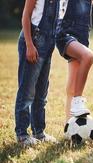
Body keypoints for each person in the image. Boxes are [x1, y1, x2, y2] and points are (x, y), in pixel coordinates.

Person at [14, 0, 58, 146]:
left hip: (48, 44)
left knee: (41, 93)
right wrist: (29, 45)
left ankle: (39, 132)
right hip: (33, 41)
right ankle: (22, 134)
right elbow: (26, 16)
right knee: (27, 92)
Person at [56, 0, 93, 121]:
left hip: (83, 34)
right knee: (88, 56)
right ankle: (77, 100)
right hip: (65, 32)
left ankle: (68, 125)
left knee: (72, 85)